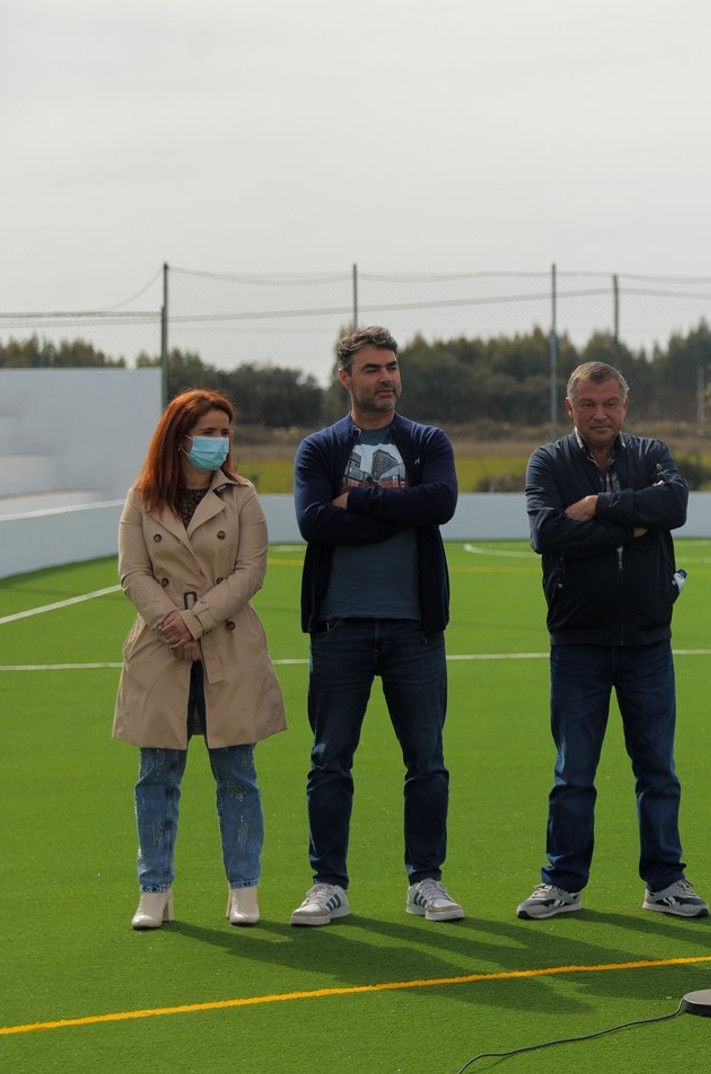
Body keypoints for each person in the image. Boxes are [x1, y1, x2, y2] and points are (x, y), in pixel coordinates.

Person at [516, 362, 706, 921]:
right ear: (570, 407)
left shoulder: (651, 453)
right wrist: (635, 520)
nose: (600, 414)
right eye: (588, 404)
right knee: (573, 772)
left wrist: (600, 506)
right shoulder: (548, 461)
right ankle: (563, 882)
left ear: (624, 405)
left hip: (648, 640)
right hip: (578, 643)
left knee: (657, 769)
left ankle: (665, 880)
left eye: (610, 404)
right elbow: (547, 534)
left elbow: (674, 506)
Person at [290, 325, 464, 926]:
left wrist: (356, 501)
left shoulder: (426, 440)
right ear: (345, 378)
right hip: (339, 628)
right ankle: (328, 883)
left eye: (391, 367)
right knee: (330, 759)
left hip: (415, 629)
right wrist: (396, 509)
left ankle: (426, 881)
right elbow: (314, 521)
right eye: (371, 369)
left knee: (427, 761)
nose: (385, 378)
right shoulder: (318, 448)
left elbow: (438, 503)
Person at [114, 389, 286, 930]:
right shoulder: (142, 497)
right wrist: (172, 625)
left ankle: (243, 888)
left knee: (237, 773)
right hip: (159, 652)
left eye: (224, 432)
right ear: (179, 435)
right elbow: (132, 573)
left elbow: (250, 573)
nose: (218, 442)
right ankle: (154, 890)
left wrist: (191, 623)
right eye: (208, 432)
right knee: (156, 774)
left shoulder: (243, 496)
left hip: (227, 645)